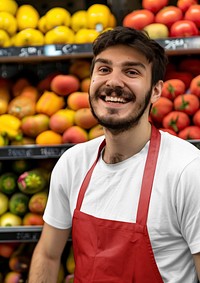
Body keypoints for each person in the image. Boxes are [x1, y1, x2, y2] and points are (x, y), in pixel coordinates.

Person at [28, 26, 200, 283]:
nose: (113, 82)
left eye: (131, 72)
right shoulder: (73, 163)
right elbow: (49, 254)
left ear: (156, 91)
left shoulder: (187, 170)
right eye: (104, 69)